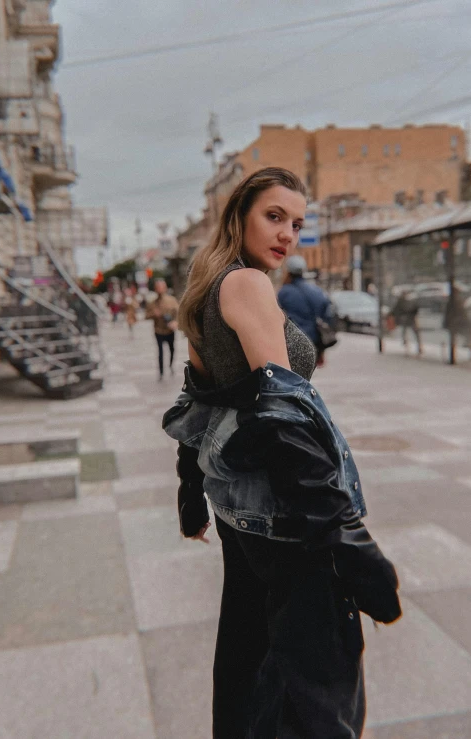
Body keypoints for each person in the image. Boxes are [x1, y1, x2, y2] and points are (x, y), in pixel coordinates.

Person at [162, 167, 401, 738]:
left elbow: (196, 402)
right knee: (317, 684)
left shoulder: (206, 285)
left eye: (296, 223)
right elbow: (282, 410)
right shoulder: (246, 285)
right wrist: (347, 536)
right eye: (274, 217)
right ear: (239, 214)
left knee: (249, 657)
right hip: (284, 510)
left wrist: (192, 498)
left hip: (240, 511)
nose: (287, 234)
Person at [278, 254, 335, 367]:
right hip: (313, 341)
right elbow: (327, 316)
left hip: (292, 342)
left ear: (288, 271)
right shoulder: (316, 291)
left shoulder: (284, 292)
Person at [146, 279, 179, 380]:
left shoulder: (172, 300)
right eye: (158, 287)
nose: (160, 289)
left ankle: (170, 365)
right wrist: (153, 314)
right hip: (158, 330)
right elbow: (146, 315)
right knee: (160, 352)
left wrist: (175, 322)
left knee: (172, 349)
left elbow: (178, 313)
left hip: (169, 330)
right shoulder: (152, 303)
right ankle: (161, 372)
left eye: (161, 287)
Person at [443, 286, 471, 359]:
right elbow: (462, 313)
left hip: (453, 323)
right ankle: (469, 350)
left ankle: (456, 354)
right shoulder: (457, 301)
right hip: (457, 323)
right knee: (468, 334)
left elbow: (447, 313)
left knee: (455, 339)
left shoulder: (451, 301)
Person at [390, 290, 422, 355]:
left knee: (407, 332)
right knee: (413, 333)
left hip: (407, 319)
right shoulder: (405, 302)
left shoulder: (402, 302)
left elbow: (395, 311)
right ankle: (416, 346)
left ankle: (408, 345)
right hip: (409, 319)